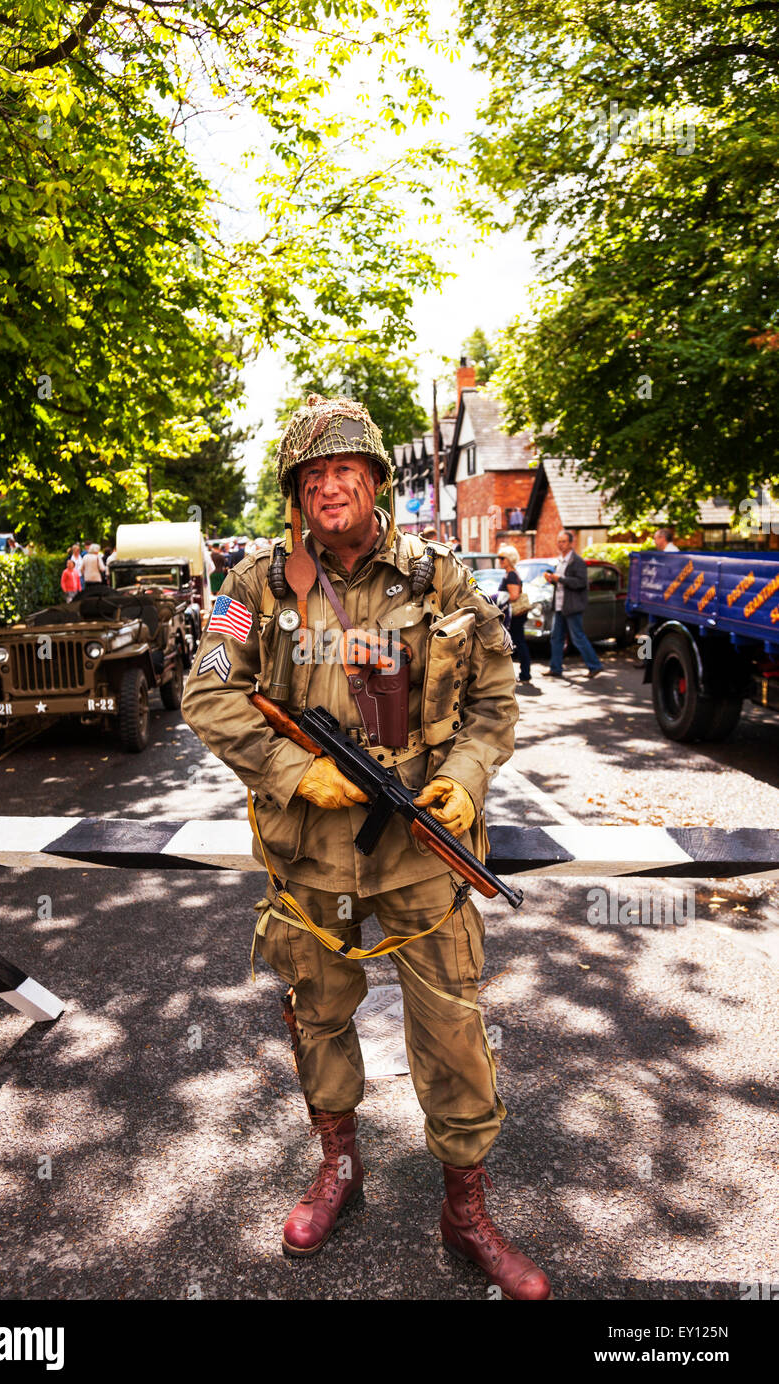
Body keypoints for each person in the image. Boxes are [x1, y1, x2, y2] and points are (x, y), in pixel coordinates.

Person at [181, 392, 552, 1299]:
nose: (330, 488)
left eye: (345, 470)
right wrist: (289, 769)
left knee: (454, 1030)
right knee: (319, 1017)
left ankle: (465, 1209)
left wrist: (463, 781)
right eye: (313, 476)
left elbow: (496, 701)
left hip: (420, 849)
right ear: (296, 494)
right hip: (309, 853)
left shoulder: (442, 580)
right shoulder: (254, 588)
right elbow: (208, 691)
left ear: (376, 479)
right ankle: (337, 1169)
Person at [544, 529, 604, 680]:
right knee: (556, 638)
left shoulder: (577, 561)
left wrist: (560, 579)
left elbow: (581, 583)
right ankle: (555, 668)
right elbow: (561, 582)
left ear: (571, 543)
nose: (561, 544)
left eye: (564, 541)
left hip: (572, 606)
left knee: (578, 637)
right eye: (559, 541)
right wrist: (552, 580)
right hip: (559, 605)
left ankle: (595, 665)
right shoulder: (560, 560)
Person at [497, 545, 534, 688]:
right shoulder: (509, 573)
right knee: (515, 642)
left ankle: (525, 674)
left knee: (517, 642)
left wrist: (498, 598)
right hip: (514, 615)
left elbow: (514, 595)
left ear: (509, 559)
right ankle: (522, 673)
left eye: (502, 558)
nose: (499, 561)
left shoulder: (512, 574)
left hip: (515, 615)